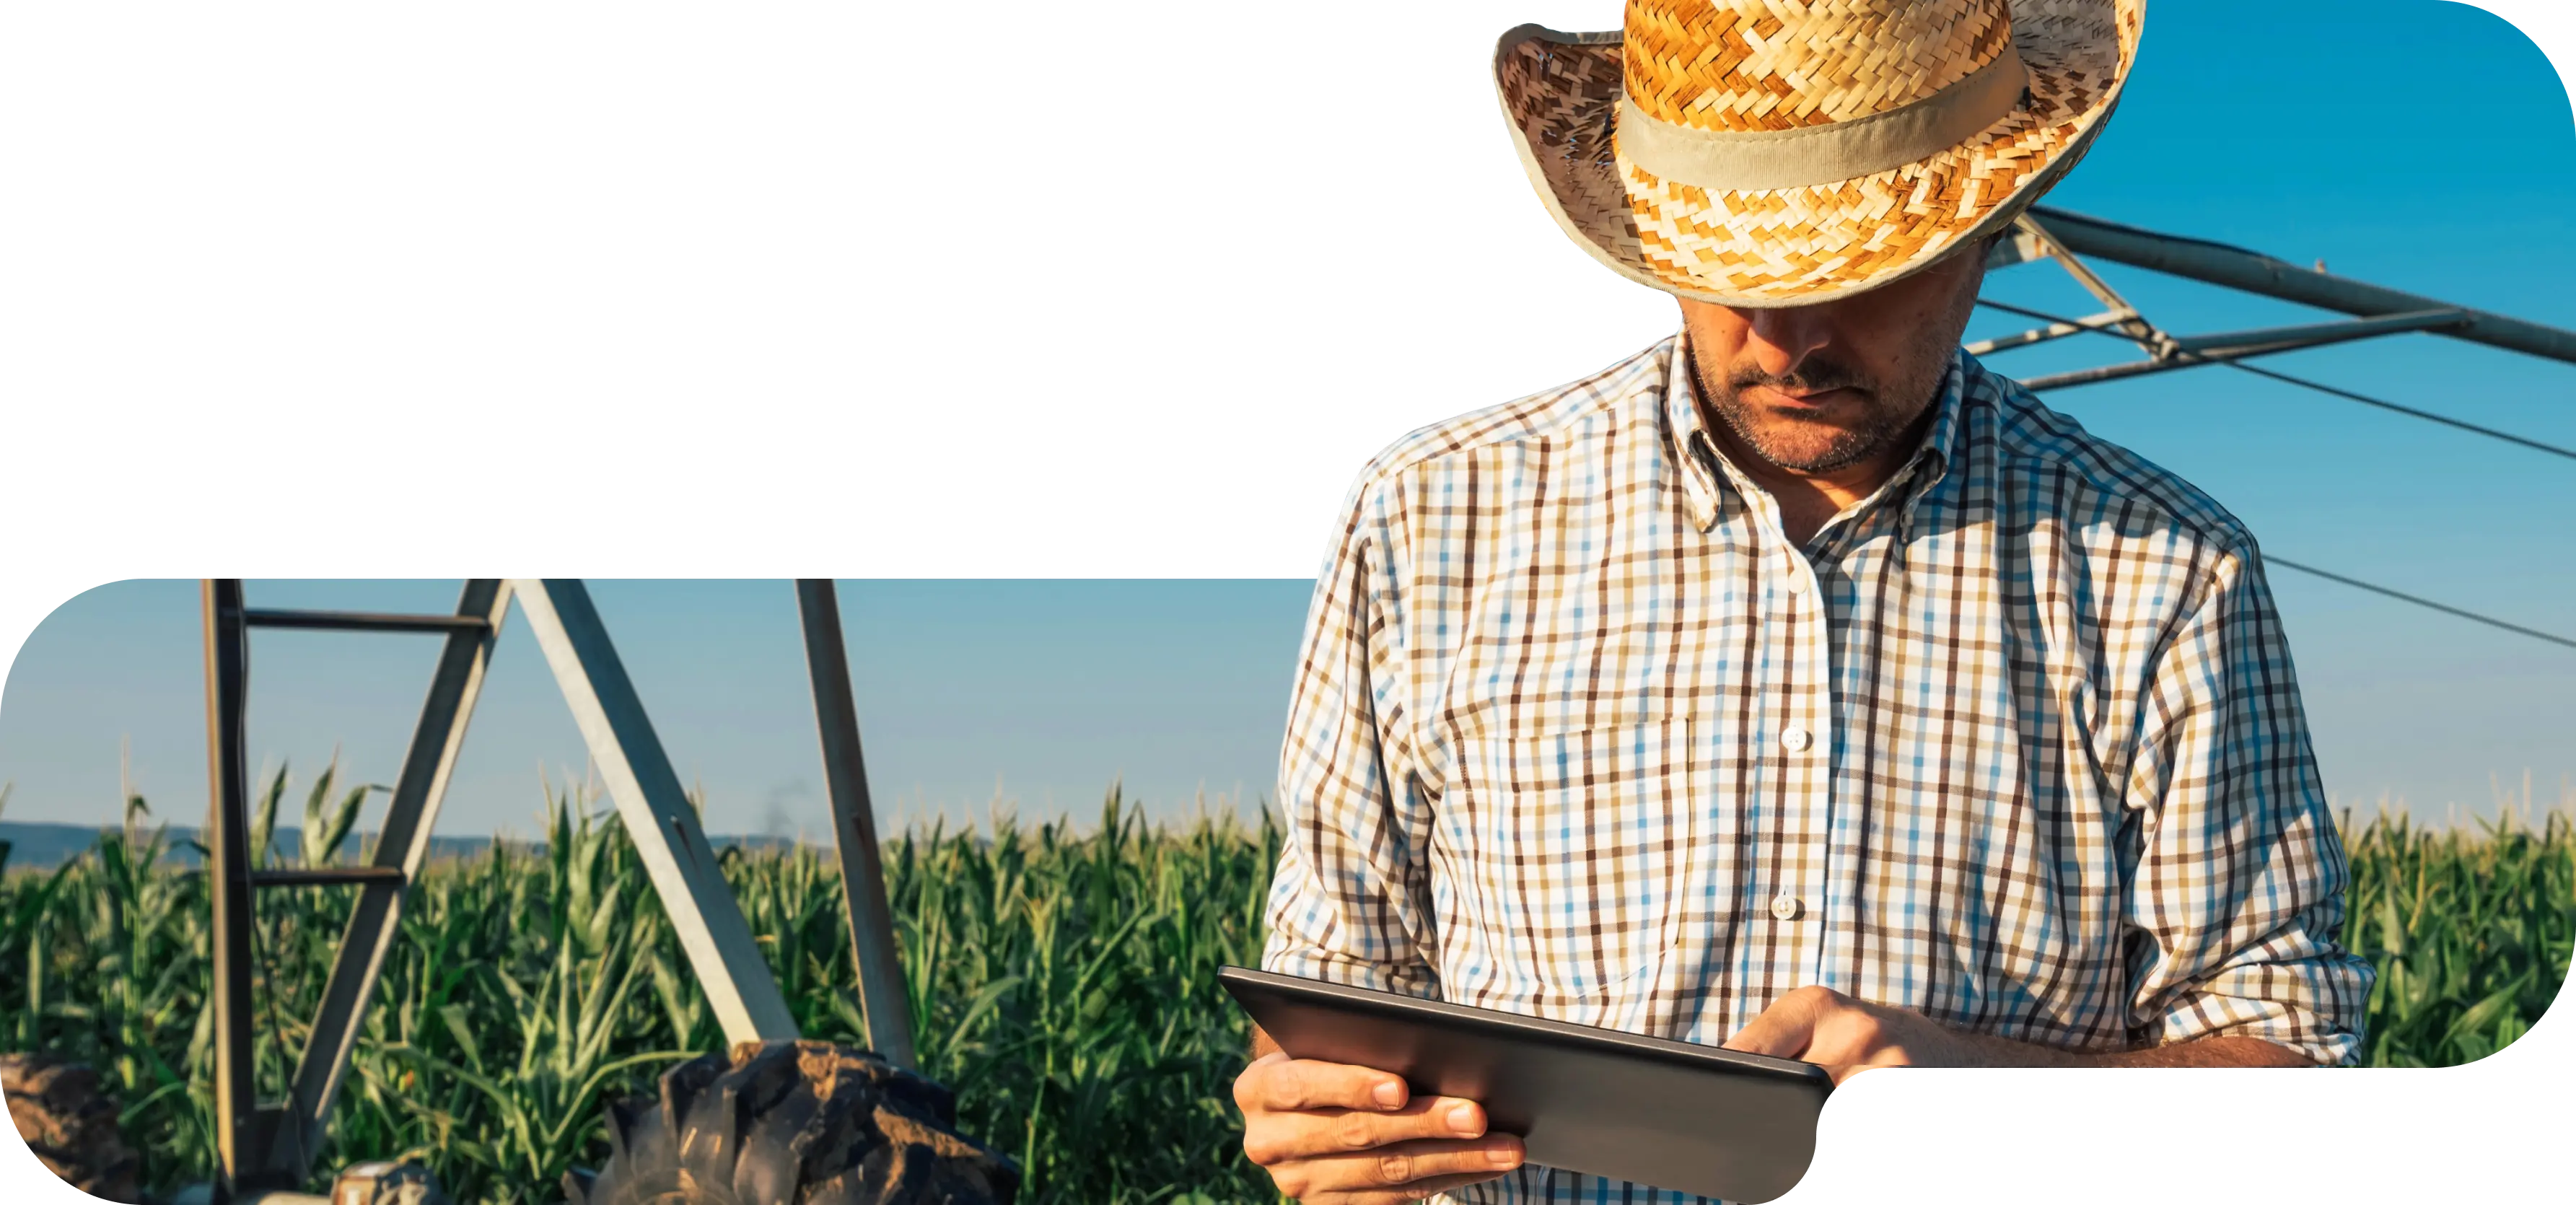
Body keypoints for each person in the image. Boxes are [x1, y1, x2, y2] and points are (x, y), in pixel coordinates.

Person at [1231, 3, 2375, 1202]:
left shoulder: (2170, 570)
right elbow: (1333, 984)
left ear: (1991, 229)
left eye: (1865, 270)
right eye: (1723, 267)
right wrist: (1319, 1115)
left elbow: (2281, 1030)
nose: (1786, 336)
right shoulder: (1427, 514)